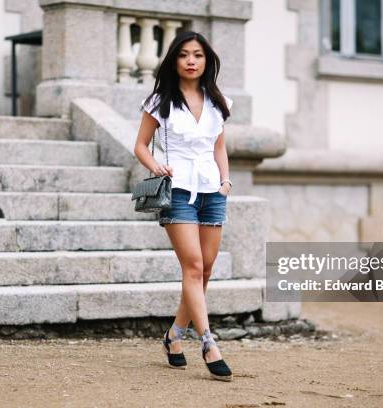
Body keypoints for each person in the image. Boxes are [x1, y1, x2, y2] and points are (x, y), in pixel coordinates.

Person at [133, 31, 234, 382]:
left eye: (198, 55)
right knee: (192, 266)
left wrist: (225, 179)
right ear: (174, 60)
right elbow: (141, 145)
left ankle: (173, 336)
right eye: (184, 55)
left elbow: (218, 147)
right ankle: (208, 342)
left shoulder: (219, 101)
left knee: (204, 271)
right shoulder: (160, 100)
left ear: (207, 61)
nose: (191, 60)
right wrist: (155, 165)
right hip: (177, 190)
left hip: (212, 192)